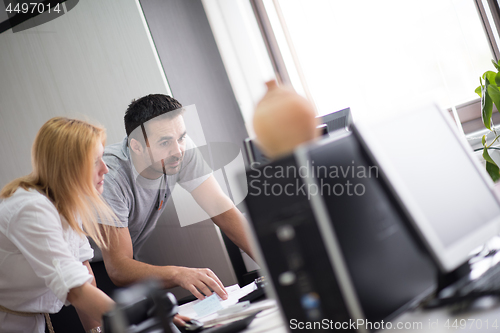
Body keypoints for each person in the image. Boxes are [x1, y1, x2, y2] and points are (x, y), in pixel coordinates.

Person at [96, 94, 254, 301]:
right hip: (86, 265)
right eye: (164, 143)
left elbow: (221, 209)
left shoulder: (181, 149)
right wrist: (179, 274)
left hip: (123, 261)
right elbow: (118, 268)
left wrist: (273, 261)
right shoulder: (111, 175)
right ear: (136, 146)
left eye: (181, 137)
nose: (178, 151)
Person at [0, 117, 115, 333]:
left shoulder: (68, 203)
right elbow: (74, 288)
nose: (105, 169)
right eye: (95, 161)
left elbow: (82, 268)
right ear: (68, 167)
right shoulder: (31, 209)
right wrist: (131, 319)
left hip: (29, 319)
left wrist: (97, 331)